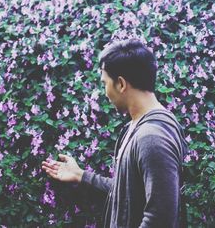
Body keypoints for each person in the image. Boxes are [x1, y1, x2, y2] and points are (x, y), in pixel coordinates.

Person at [42, 39, 188, 227]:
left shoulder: (152, 137)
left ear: (120, 84)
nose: (105, 92)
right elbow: (127, 193)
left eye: (105, 83)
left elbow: (160, 219)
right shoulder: (135, 127)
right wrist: (81, 176)